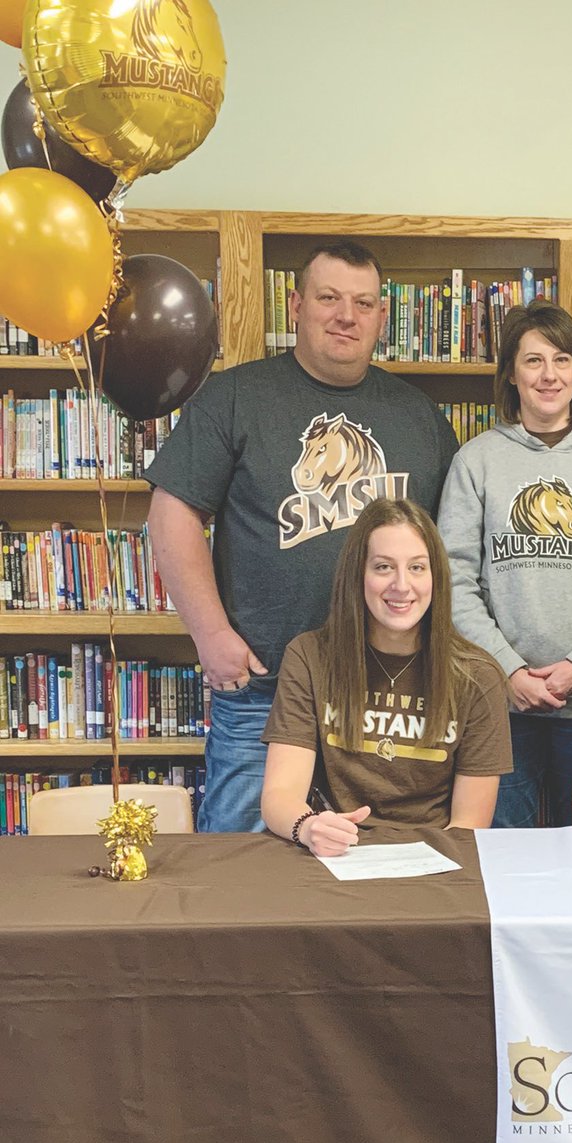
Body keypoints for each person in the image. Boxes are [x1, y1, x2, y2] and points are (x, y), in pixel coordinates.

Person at [144, 241, 459, 833]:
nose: (346, 315)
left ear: (382, 317)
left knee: (373, 869)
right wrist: (210, 633)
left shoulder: (421, 418)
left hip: (383, 700)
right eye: (329, 298)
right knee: (238, 869)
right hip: (262, 687)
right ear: (294, 306)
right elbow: (173, 512)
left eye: (364, 303)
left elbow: (451, 550)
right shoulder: (236, 396)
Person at [437, 300, 572, 828]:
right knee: (501, 849)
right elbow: (453, 579)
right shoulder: (476, 460)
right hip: (498, 704)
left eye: (562, 359)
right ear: (511, 374)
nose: (548, 375)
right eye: (533, 360)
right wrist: (508, 669)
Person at [260, 498, 511, 854]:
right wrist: (309, 826)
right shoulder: (309, 656)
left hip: (435, 859)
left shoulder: (478, 676)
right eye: (383, 567)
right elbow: (279, 795)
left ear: (436, 577)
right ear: (357, 574)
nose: (402, 585)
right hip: (336, 853)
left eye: (417, 568)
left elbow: (469, 826)